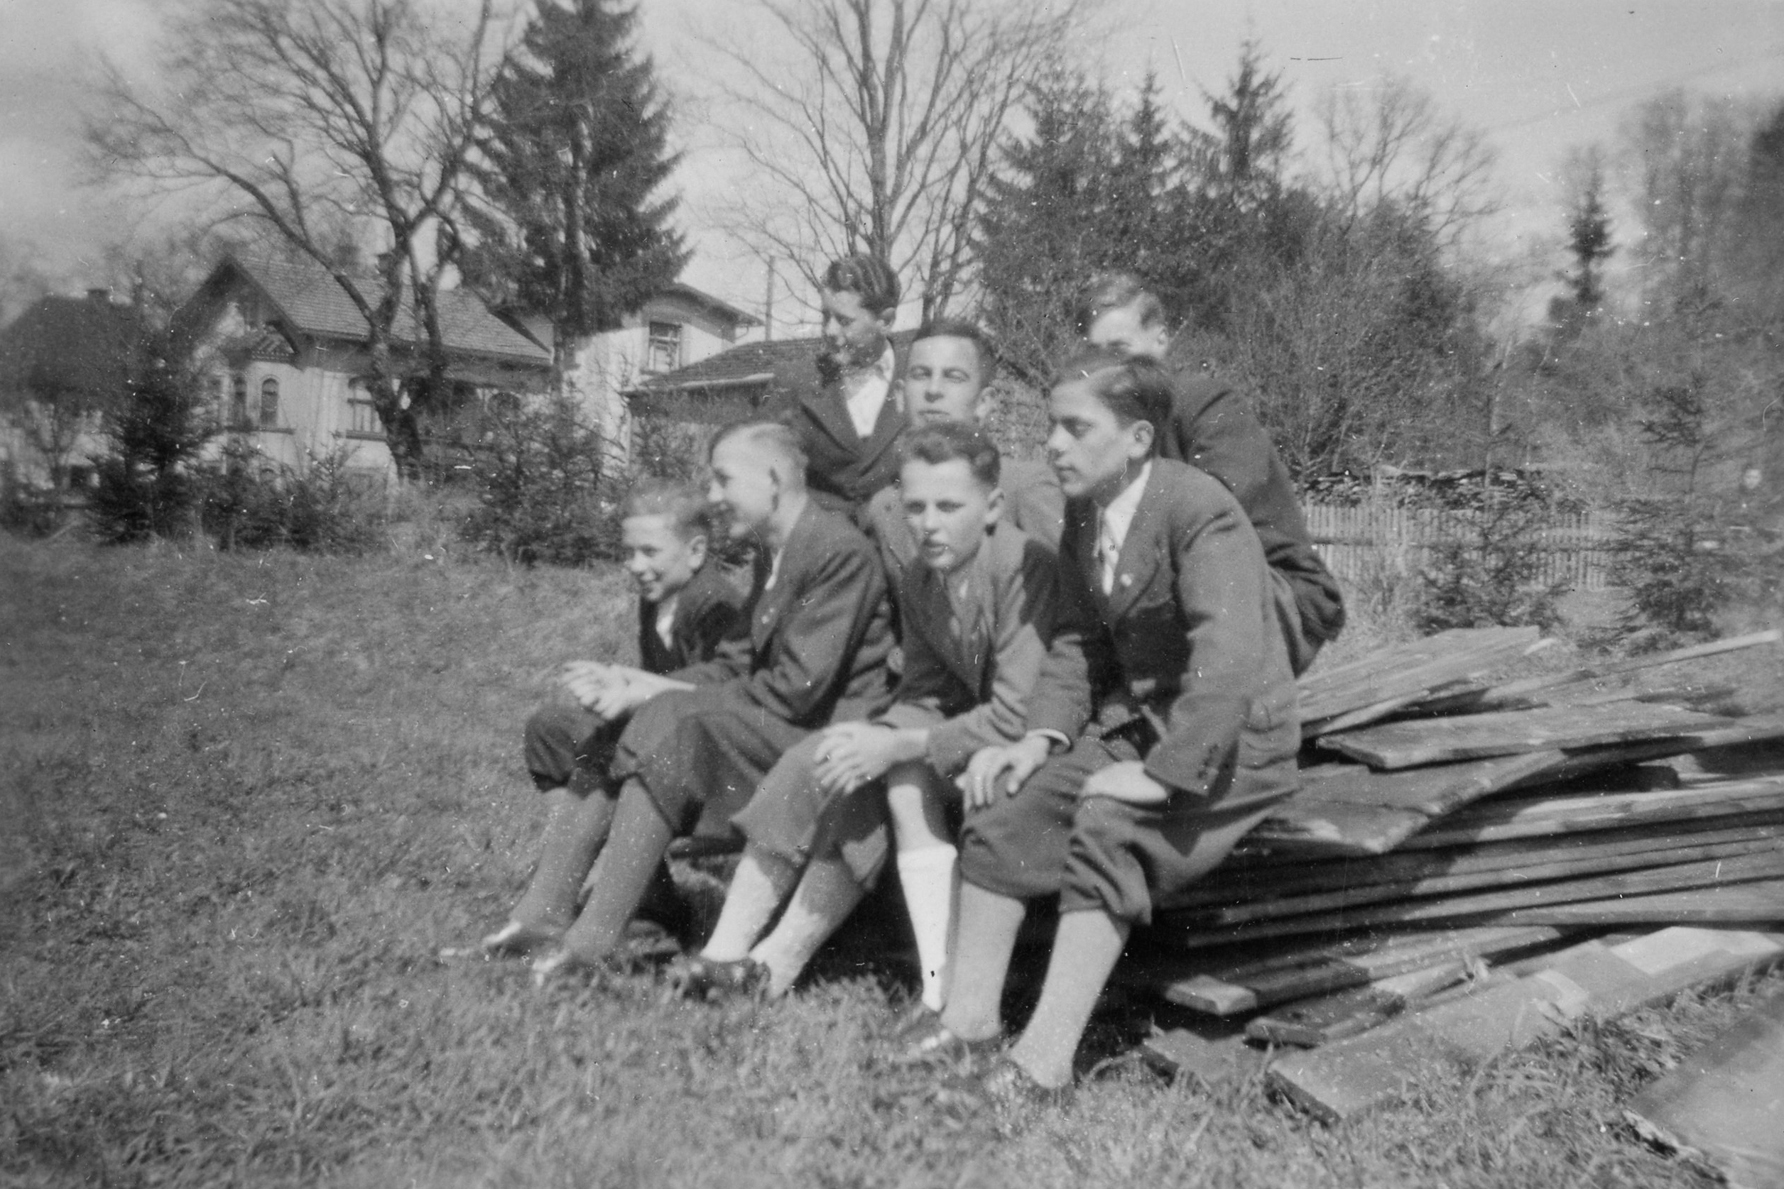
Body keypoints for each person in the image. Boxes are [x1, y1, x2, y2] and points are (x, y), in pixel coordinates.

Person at [903, 350, 1300, 1108]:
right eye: (1051, 426)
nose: (1054, 445)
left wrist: (1160, 774)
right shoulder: (1087, 512)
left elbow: (1228, 659)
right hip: (1140, 724)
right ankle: (968, 1023)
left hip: (1233, 743)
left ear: (1139, 439)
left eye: (1076, 428)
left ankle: (1041, 1067)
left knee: (1111, 821)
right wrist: (1038, 740)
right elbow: (1079, 642)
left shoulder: (1199, 509)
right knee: (1006, 803)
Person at [672, 423, 1057, 1003]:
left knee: (895, 774)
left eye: (949, 507)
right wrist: (873, 736)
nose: (928, 525)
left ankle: (926, 990)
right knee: (832, 755)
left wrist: (898, 745)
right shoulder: (925, 575)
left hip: (1035, 745)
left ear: (994, 506)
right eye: (915, 508)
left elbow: (1016, 713)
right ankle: (731, 956)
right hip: (969, 732)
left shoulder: (1023, 568)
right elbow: (925, 692)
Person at [531, 421, 894, 980]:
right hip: (782, 726)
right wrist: (638, 683)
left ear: (773, 479)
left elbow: (795, 690)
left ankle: (591, 942)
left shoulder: (836, 551)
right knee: (640, 718)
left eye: (724, 480)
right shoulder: (775, 553)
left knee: (678, 724)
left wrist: (657, 693)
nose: (714, 497)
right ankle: (543, 919)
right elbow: (736, 664)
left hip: (829, 741)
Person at [479, 481, 746, 957]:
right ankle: (646, 893)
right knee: (553, 732)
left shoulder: (716, 605)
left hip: (713, 758)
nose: (635, 566)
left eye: (649, 552)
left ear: (696, 551)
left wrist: (632, 694)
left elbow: (723, 692)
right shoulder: (656, 596)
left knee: (611, 751)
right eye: (628, 552)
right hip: (668, 736)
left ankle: (585, 904)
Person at [1075, 271, 1344, 674]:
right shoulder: (1099, 431)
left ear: (1160, 340)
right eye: (1095, 354)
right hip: (1178, 600)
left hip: (1276, 595)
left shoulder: (1205, 404)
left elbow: (1214, 519)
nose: (1110, 367)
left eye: (1120, 349)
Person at [860, 318, 1066, 581]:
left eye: (953, 377)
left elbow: (1067, 590)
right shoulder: (885, 507)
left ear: (984, 402)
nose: (933, 390)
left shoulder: (1023, 486)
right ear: (900, 395)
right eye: (921, 375)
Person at [778, 255, 909, 518]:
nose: (829, 330)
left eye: (844, 321)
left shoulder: (916, 376)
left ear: (885, 321)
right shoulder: (795, 380)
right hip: (819, 537)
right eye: (825, 316)